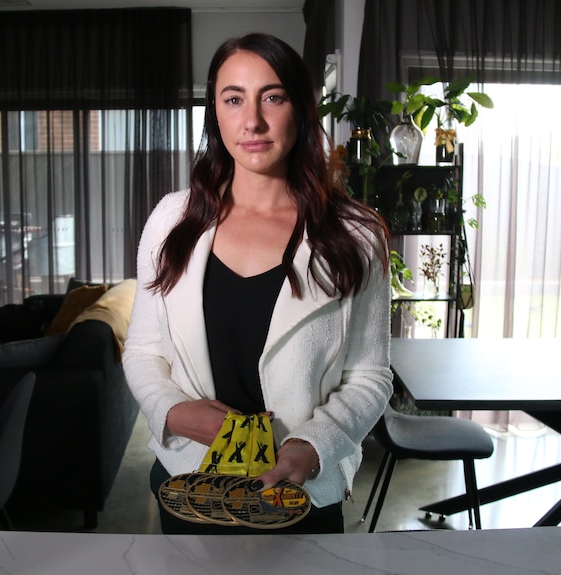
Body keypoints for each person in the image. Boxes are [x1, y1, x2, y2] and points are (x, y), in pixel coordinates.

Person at [123, 32, 394, 534]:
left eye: (273, 96)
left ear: (301, 109)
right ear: (216, 113)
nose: (253, 121)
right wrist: (175, 413)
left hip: (302, 493)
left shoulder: (356, 233)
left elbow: (371, 376)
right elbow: (141, 352)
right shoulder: (170, 221)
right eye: (234, 99)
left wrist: (314, 444)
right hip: (190, 483)